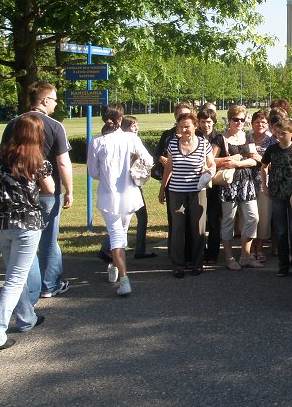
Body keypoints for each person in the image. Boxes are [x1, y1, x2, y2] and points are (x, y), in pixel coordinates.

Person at [0, 114, 53, 352]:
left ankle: (26, 317)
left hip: (0, 223)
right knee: (14, 280)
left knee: (14, 274)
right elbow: (50, 188)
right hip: (26, 224)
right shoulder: (36, 159)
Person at [1, 81, 73, 299]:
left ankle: (28, 286)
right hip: (48, 192)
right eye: (54, 99)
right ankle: (48, 285)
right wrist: (69, 190)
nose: (56, 103)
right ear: (44, 100)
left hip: (19, 192)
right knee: (48, 238)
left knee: (26, 241)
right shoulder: (55, 126)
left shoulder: (13, 124)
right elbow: (63, 163)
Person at [87, 104, 153, 294]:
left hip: (109, 196)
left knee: (118, 234)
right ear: (120, 119)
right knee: (120, 234)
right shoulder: (131, 138)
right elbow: (148, 160)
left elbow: (94, 172)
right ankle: (119, 272)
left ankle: (120, 274)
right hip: (130, 194)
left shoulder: (97, 142)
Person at [158, 112, 215, 277]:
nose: (184, 129)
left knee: (198, 229)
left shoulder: (204, 144)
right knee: (177, 230)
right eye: (181, 126)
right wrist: (163, 189)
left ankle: (197, 263)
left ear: (195, 126)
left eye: (187, 126)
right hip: (176, 192)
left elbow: (212, 164)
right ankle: (178, 265)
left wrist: (208, 170)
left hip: (197, 191)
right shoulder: (173, 144)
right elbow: (168, 167)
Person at [98, 116, 155, 262]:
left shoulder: (122, 140)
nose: (136, 128)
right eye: (133, 125)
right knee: (123, 222)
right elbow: (148, 160)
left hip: (126, 185)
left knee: (124, 221)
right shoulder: (128, 140)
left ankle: (119, 252)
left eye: (137, 125)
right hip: (128, 186)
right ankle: (112, 252)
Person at [216, 105, 261, 270]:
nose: (239, 122)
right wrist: (227, 160)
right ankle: (229, 257)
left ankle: (245, 256)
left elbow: (254, 159)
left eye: (243, 119)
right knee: (229, 220)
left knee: (253, 217)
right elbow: (211, 160)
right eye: (236, 119)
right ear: (229, 120)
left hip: (246, 181)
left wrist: (238, 162)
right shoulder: (221, 138)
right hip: (229, 183)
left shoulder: (247, 137)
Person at [263, 117, 292, 277]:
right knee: (280, 231)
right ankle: (283, 265)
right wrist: (265, 186)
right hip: (277, 193)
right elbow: (264, 166)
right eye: (278, 133)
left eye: (283, 133)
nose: (280, 136)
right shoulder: (272, 150)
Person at [197, 109, 225, 265]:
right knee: (198, 220)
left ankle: (213, 253)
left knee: (214, 220)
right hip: (197, 184)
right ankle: (199, 251)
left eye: (209, 121)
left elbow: (216, 160)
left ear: (214, 122)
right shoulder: (195, 137)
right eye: (203, 121)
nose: (206, 124)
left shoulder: (218, 138)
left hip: (214, 185)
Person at [248, 110, 274, 263]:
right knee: (250, 218)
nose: (260, 125)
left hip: (264, 184)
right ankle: (250, 249)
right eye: (257, 122)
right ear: (252, 124)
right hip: (246, 184)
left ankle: (259, 249)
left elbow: (276, 164)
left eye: (264, 122)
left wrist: (260, 159)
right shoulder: (245, 138)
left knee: (264, 218)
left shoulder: (272, 142)